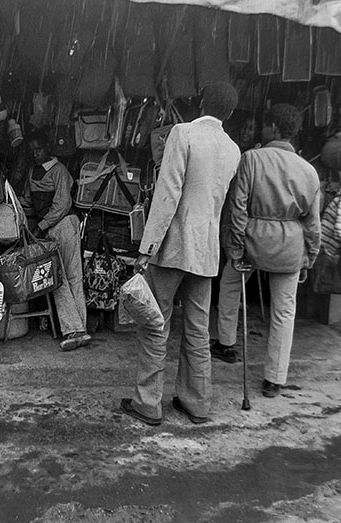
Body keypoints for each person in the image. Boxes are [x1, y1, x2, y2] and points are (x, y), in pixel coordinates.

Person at [120, 82, 242, 426]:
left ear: (201, 101)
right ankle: (196, 402)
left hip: (173, 247)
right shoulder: (232, 148)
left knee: (155, 326)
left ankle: (148, 403)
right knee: (198, 329)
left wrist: (146, 247)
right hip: (206, 253)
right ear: (229, 113)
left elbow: (168, 193)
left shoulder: (182, 133)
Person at [213, 103, 321, 398]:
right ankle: (275, 378)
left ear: (273, 127)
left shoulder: (252, 159)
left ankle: (226, 343)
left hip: (253, 242)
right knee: (284, 311)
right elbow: (312, 223)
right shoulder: (309, 170)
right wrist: (309, 257)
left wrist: (234, 247)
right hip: (290, 246)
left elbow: (237, 208)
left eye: (265, 124)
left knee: (230, 283)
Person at [19, 131, 91, 351]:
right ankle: (76, 329)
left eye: (38, 149)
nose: (35, 153)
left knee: (69, 276)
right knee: (59, 277)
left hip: (64, 225)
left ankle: (77, 329)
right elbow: (29, 201)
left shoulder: (60, 171)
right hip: (49, 229)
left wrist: (40, 226)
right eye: (32, 150)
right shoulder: (33, 172)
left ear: (47, 148)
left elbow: (61, 205)